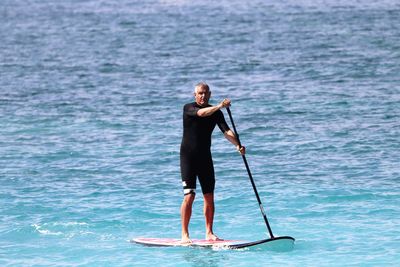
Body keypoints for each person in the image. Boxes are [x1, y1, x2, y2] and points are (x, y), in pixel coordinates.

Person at [180, 82, 245, 244]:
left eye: (205, 93)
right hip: (188, 158)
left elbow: (226, 131)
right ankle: (184, 235)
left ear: (209, 94)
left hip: (205, 158)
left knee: (209, 196)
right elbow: (201, 113)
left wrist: (237, 145)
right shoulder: (189, 108)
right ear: (195, 95)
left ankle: (209, 233)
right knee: (190, 195)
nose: (202, 96)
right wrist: (219, 106)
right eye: (199, 93)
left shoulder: (216, 113)